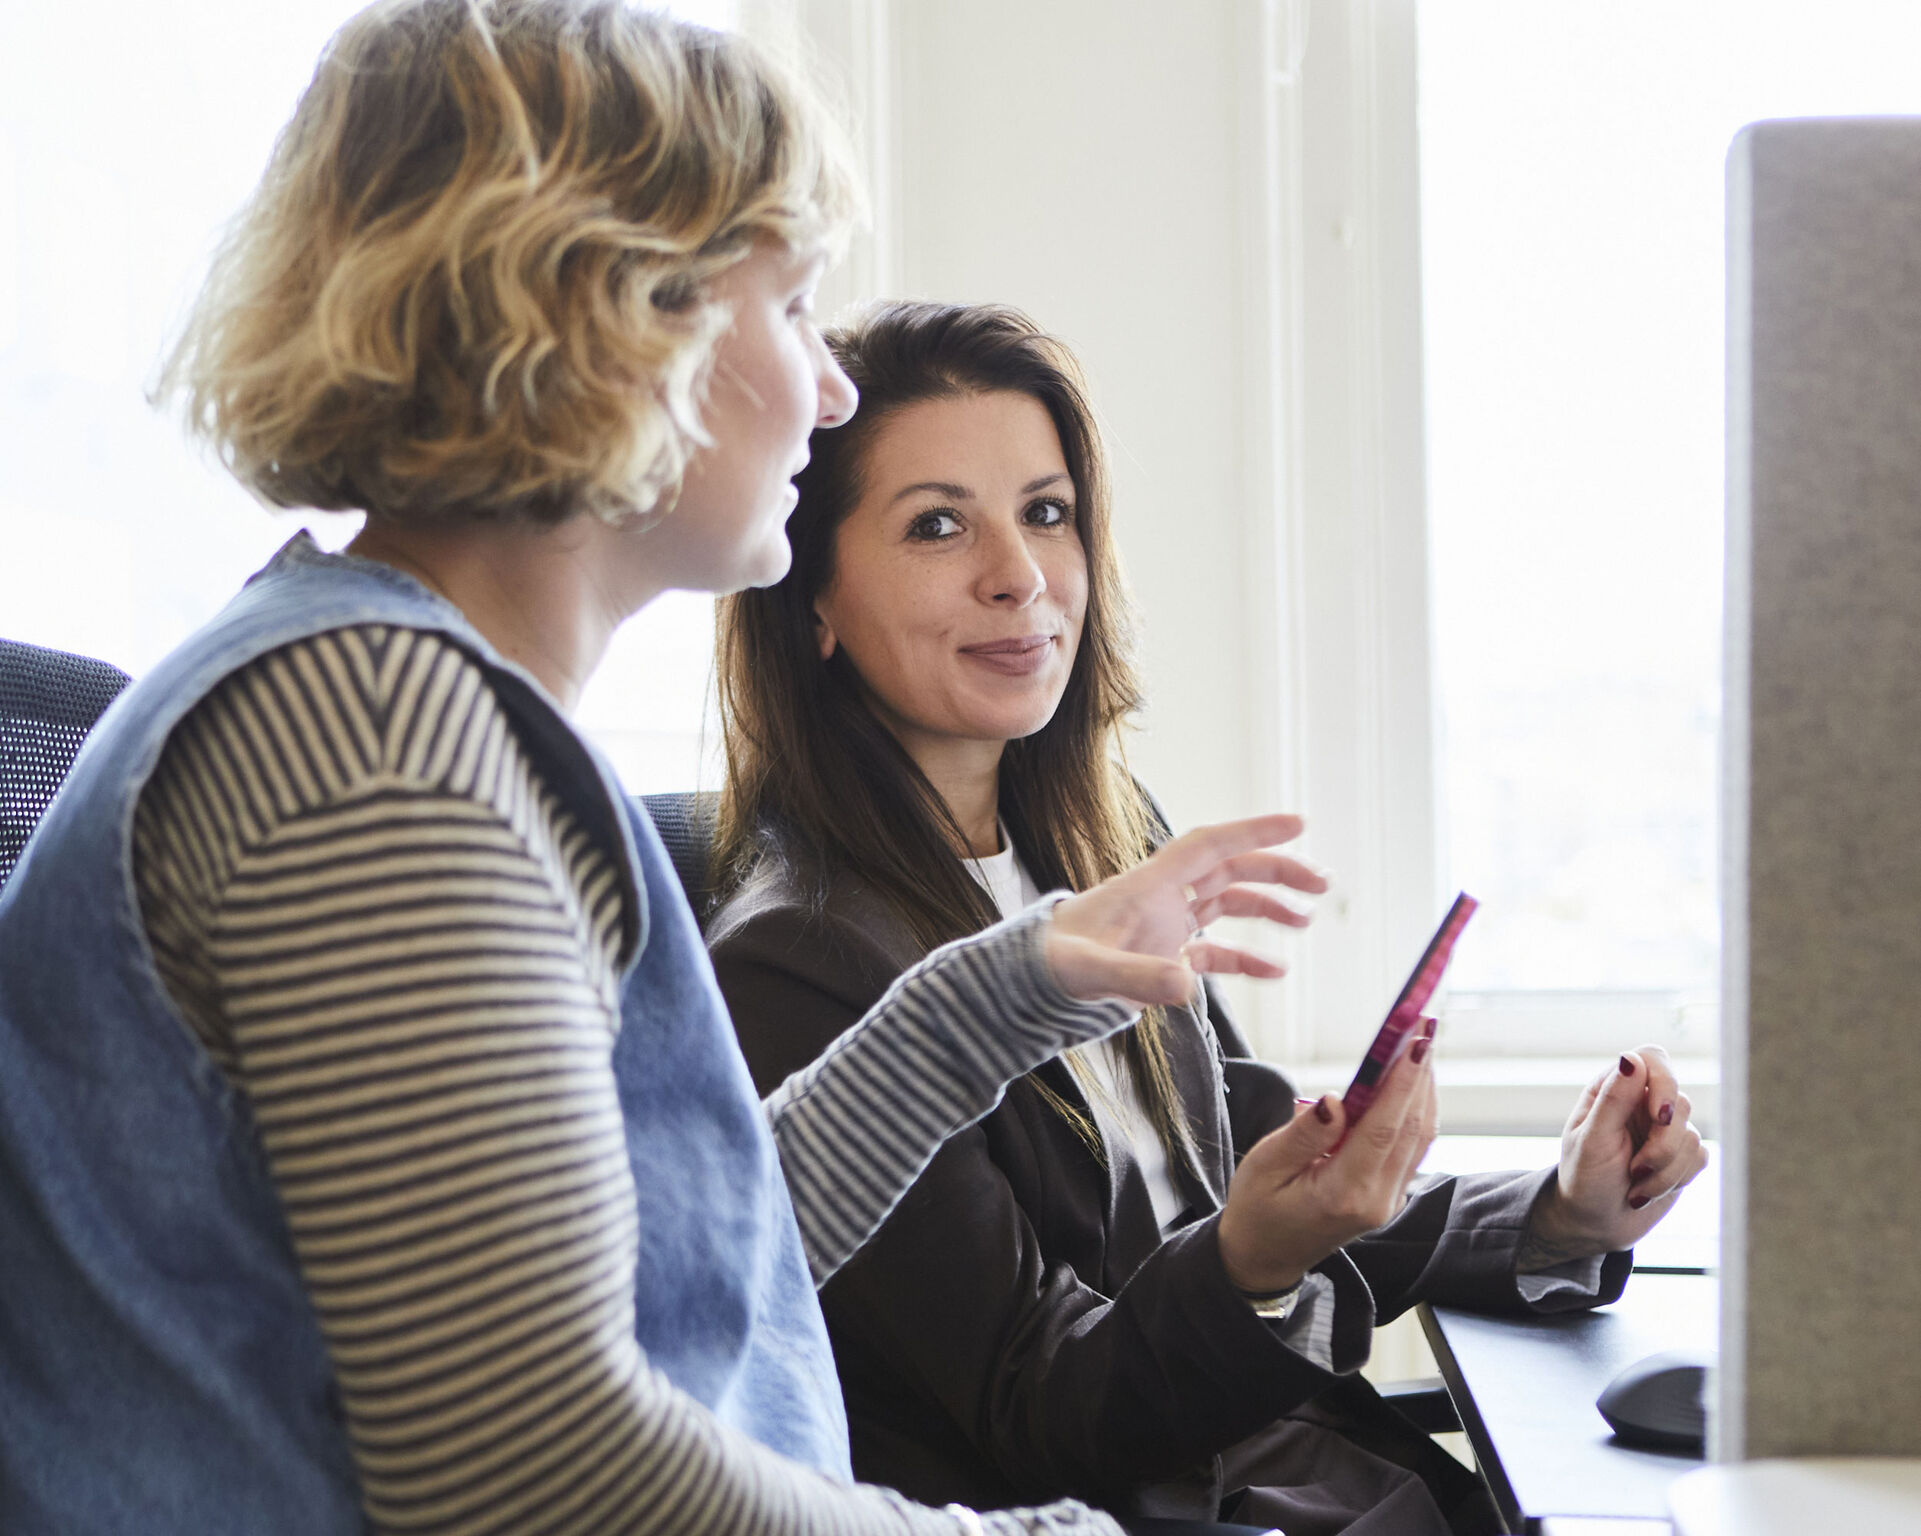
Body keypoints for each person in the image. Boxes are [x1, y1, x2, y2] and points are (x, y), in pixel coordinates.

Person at [0, 12, 1326, 1536]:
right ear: (613, 316)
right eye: (798, 306)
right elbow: (535, 1475)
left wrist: (1008, 987)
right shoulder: (372, 750)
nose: (831, 395)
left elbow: (689, 1262)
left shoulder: (414, 709)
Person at [705, 301, 1710, 1536]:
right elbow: (1044, 1408)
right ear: (811, 601)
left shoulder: (1104, 844)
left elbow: (1247, 1175)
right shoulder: (799, 963)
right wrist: (1251, 1262)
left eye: (1045, 511)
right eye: (936, 525)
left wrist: (1557, 1211)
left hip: (1302, 1478)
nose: (1017, 574)